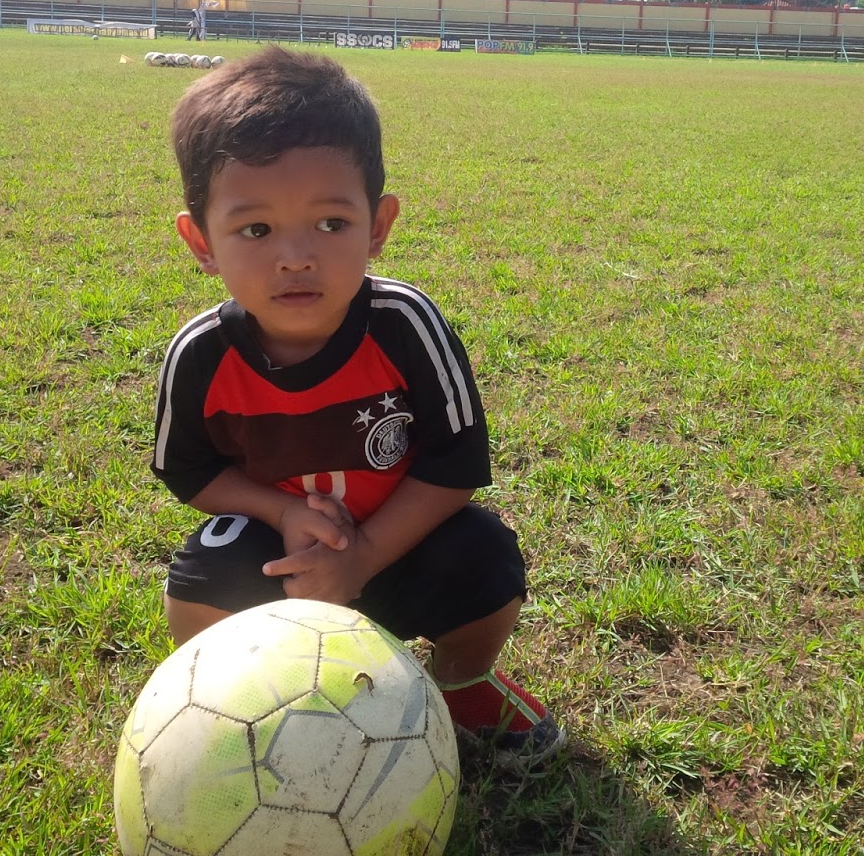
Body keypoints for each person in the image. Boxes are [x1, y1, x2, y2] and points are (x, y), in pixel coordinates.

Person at [151, 44, 564, 768]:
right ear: (200, 241)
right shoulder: (201, 355)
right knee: (196, 581)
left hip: (399, 545)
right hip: (277, 562)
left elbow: (454, 465)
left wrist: (363, 557)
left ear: (378, 225)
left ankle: (462, 684)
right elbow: (190, 473)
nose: (295, 256)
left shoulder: (406, 326)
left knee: (487, 556)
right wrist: (282, 514)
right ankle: (235, 705)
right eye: (255, 230)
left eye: (332, 224)